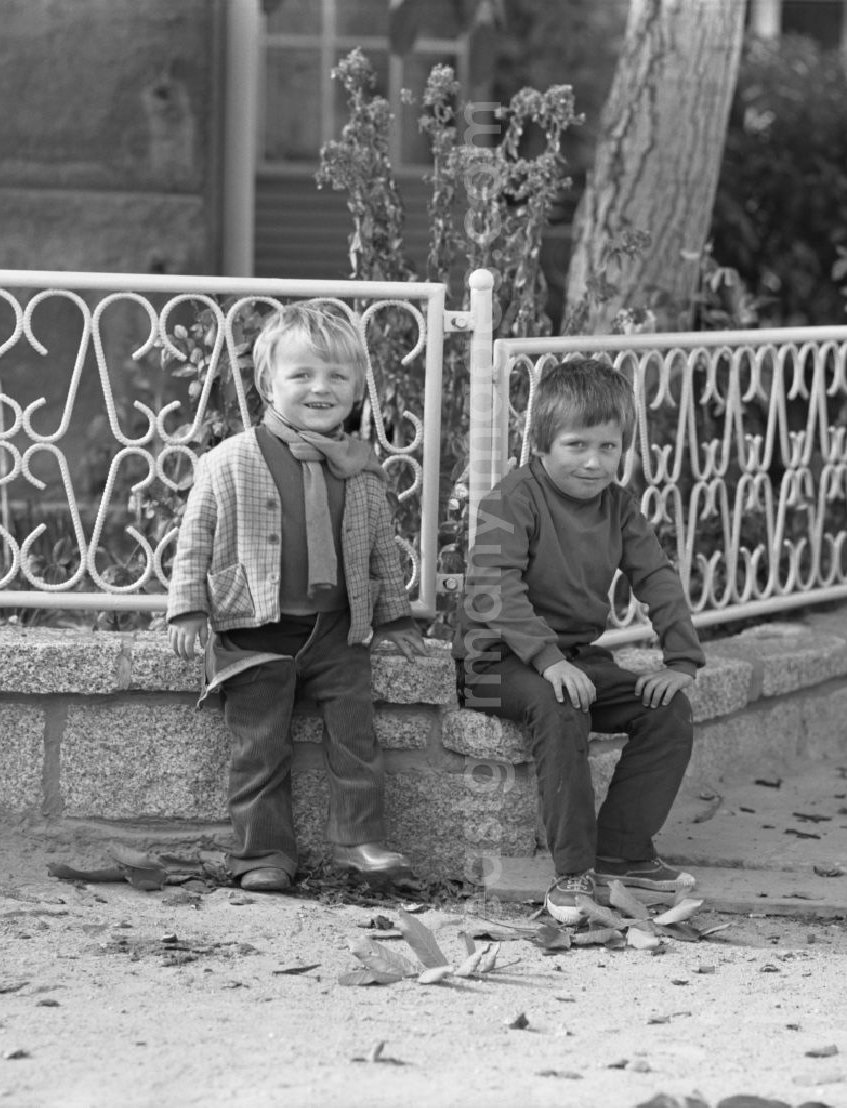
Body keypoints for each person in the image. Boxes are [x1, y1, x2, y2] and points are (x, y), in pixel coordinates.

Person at [166, 300, 425, 893]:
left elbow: (380, 548)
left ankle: (359, 841)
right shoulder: (228, 460)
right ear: (266, 383)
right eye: (302, 374)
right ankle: (263, 854)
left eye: (337, 377)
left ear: (357, 391)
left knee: (356, 742)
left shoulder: (358, 468)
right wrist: (187, 608)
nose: (320, 388)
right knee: (259, 748)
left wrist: (395, 620)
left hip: (336, 633)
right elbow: (195, 535)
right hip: (253, 631)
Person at [456, 357, 705, 924]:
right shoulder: (512, 498)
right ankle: (572, 875)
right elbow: (495, 587)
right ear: (542, 442)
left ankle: (623, 850)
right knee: (563, 701)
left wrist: (682, 659)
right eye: (576, 445)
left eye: (609, 447)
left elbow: (657, 577)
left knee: (665, 709)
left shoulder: (618, 506)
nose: (594, 462)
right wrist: (546, 660)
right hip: (494, 660)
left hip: (573, 657)